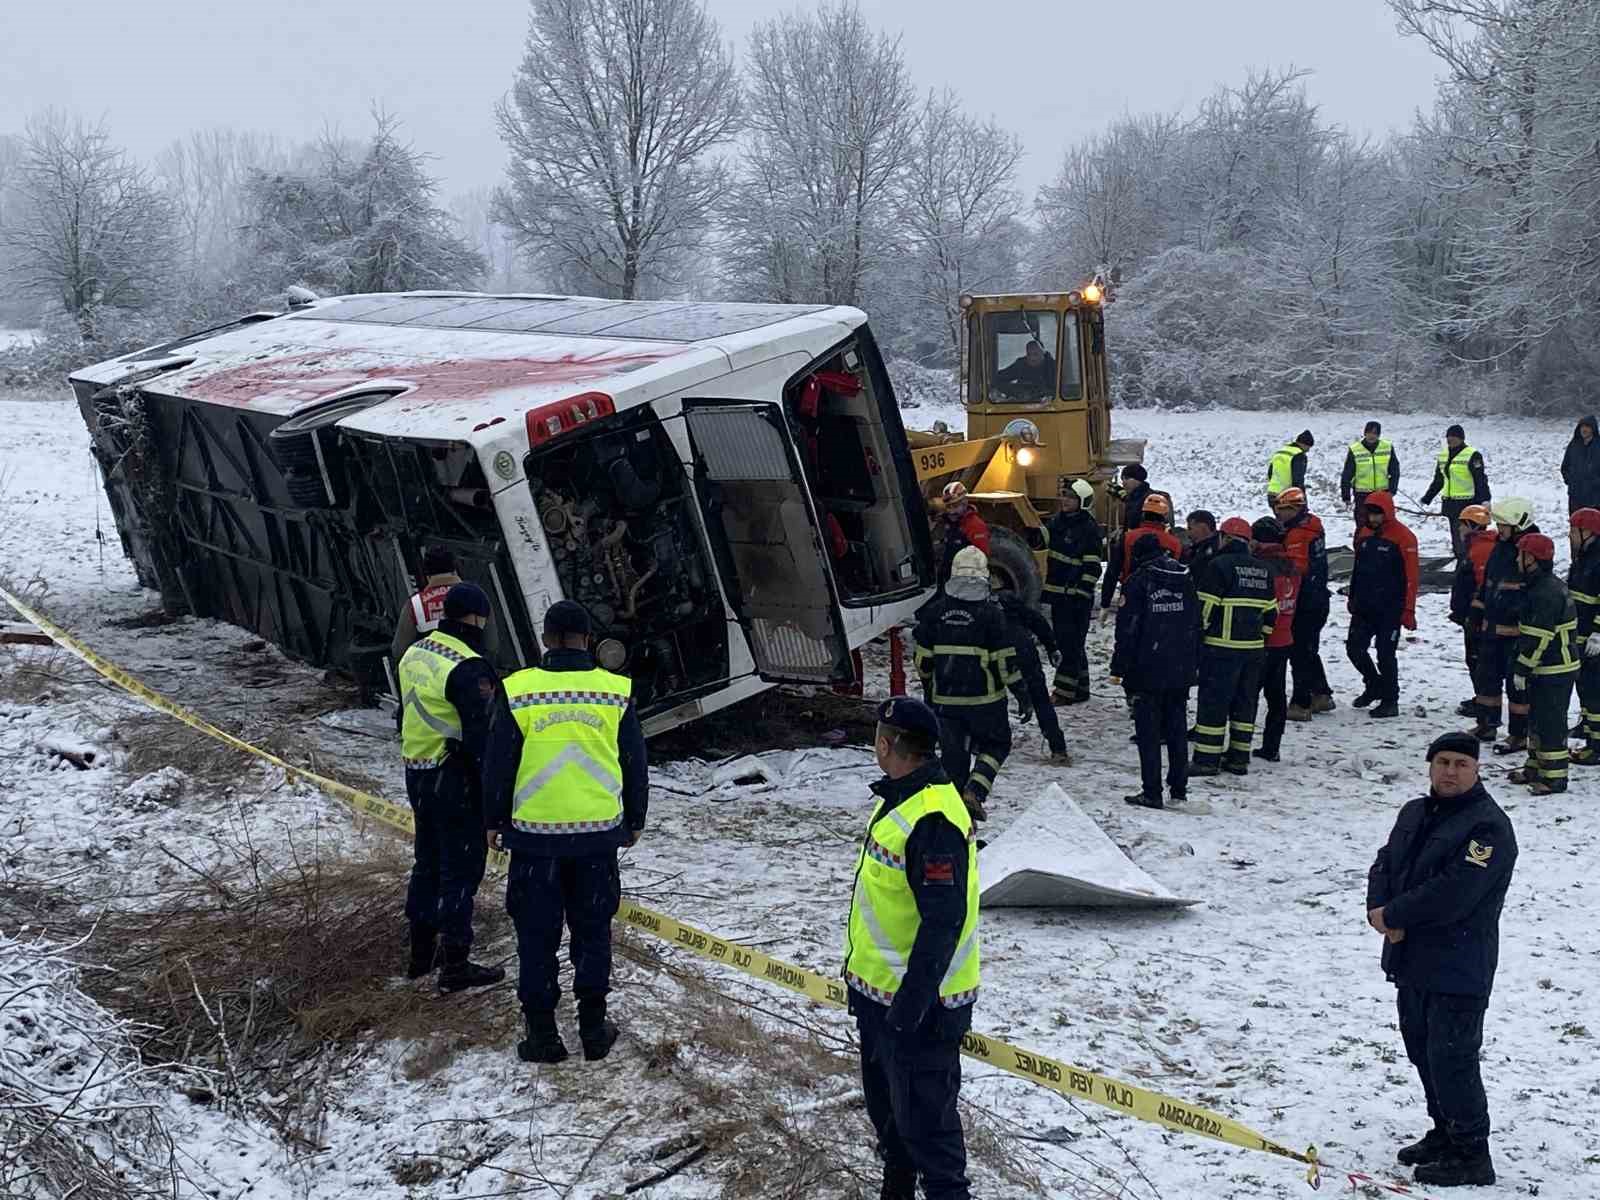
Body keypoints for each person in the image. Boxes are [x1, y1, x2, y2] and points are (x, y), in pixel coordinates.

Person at [480, 600, 649, 1063]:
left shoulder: (518, 690)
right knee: (592, 933)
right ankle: (593, 1030)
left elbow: (498, 765)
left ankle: (542, 1036)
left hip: (535, 842)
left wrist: (493, 820)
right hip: (596, 840)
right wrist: (634, 819)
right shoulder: (615, 691)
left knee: (537, 937)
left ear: (546, 638)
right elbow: (634, 763)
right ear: (589, 640)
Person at [1366, 732, 1516, 1189]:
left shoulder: (1487, 827)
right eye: (1443, 762)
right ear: (1430, 766)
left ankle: (1472, 1152)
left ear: (1476, 770)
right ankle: (1445, 1131)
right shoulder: (1415, 812)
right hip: (1410, 957)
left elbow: (1456, 892)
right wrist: (1379, 910)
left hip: (1459, 963)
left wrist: (1395, 914)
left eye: (1461, 764)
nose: (1451, 771)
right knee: (1421, 1050)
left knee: (1452, 1057)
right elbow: (1385, 863)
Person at [844, 697, 979, 1200]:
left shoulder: (933, 820)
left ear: (886, 745)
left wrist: (907, 1012)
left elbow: (943, 923)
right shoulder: (900, 797)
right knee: (894, 1130)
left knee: (931, 1141)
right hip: (883, 1001)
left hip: (919, 1010)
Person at [395, 582, 506, 992]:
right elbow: (484, 739)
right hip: (454, 778)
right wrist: (495, 799)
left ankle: (420, 954)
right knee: (461, 869)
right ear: (477, 618)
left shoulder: (416, 652)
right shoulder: (469, 666)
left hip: (418, 772)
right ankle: (456, 962)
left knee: (427, 862)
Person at [913, 546, 1017, 821]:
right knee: (997, 745)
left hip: (946, 703)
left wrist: (929, 690)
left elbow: (922, 661)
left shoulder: (934, 613)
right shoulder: (991, 614)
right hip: (986, 702)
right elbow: (1004, 661)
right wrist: (1022, 694)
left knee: (953, 762)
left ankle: (955, 825)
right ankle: (976, 791)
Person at [1112, 534, 1201, 808]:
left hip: (1147, 668)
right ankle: (1179, 789)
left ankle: (1151, 791)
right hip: (1179, 667)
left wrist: (1119, 667)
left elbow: (1127, 630)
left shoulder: (1138, 583)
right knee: (1176, 730)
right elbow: (1196, 622)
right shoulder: (1184, 578)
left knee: (1149, 734)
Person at [1190, 517, 1276, 777]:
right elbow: (1271, 613)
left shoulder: (1218, 566)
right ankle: (1239, 758)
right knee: (1244, 704)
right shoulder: (1263, 569)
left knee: (1213, 704)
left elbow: (1205, 608)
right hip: (1253, 650)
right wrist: (1260, 639)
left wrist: (1195, 639)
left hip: (1220, 649)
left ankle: (1206, 759)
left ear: (1224, 538)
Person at [1506, 533, 1578, 795]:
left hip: (1554, 668)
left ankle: (1554, 778)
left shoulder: (1545, 592)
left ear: (1532, 559)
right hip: (1548, 666)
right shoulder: (1540, 586)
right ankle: (1535, 767)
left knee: (1550, 722)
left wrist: (1522, 669)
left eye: (1521, 554)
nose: (1516, 559)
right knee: (1536, 719)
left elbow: (1538, 637)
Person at [1467, 498, 1537, 751]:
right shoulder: (1500, 547)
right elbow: (1487, 583)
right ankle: (1486, 724)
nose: (1499, 528)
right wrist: (1476, 612)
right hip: (1492, 629)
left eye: (1504, 524)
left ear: (1519, 524)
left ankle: (1519, 734)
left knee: (1516, 687)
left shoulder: (1530, 551)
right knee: (1487, 679)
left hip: (1515, 633)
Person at [1347, 493, 1419, 721]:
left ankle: (1390, 700)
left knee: (1385, 654)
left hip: (1390, 608)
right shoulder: (1364, 534)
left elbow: (1412, 576)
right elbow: (1357, 568)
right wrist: (1352, 595)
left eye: (1377, 514)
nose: (1373, 518)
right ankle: (1374, 684)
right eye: (1370, 513)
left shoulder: (1404, 537)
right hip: (1364, 605)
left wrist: (1408, 610)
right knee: (1354, 649)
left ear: (1387, 513)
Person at [1276, 488, 1335, 719]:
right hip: (1318, 597)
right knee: (1308, 649)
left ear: (1295, 509)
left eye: (1283, 510)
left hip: (1305, 600)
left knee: (1299, 651)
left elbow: (1297, 568)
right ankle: (1321, 694)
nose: (1279, 514)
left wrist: (1275, 557)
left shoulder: (1298, 535)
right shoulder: (1313, 527)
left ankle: (1300, 703)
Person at [1043, 479, 1103, 704]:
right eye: (1064, 495)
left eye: (1070, 497)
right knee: (1072, 643)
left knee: (1069, 644)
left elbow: (1093, 566)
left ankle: (1063, 692)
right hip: (1059, 595)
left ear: (1083, 502)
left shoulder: (1088, 529)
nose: (1065, 500)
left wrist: (1082, 593)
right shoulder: (1057, 522)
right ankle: (1081, 688)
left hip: (1075, 597)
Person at [994, 584, 1069, 761]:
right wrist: (1052, 647)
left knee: (992, 700)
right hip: (1024, 650)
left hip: (999, 655)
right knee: (1041, 699)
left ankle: (989, 744)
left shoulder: (974, 607)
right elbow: (1037, 620)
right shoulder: (1008, 599)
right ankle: (1058, 748)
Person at [1250, 518, 1300, 763]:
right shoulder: (1291, 565)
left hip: (1262, 640)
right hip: (1284, 637)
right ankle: (1272, 746)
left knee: (1248, 695)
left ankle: (1240, 745)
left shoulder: (1260, 567)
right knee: (1276, 696)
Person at [1447, 505, 1496, 715]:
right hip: (1471, 615)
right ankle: (1482, 699)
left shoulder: (1481, 549)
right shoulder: (1475, 546)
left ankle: (1484, 702)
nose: (1459, 529)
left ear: (1472, 525)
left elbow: (1480, 585)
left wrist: (1473, 613)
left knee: (1479, 661)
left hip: (1478, 617)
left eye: (1462, 524)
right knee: (1476, 660)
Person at [1420, 425, 1491, 559]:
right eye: (1448, 436)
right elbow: (1439, 480)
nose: (1450, 439)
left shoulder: (1472, 455)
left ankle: (1472, 562)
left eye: (1454, 436)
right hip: (1451, 505)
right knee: (1457, 540)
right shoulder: (1443, 456)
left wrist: (1485, 500)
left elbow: (1480, 479)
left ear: (1461, 438)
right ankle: (1461, 563)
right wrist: (1427, 498)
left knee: (1468, 539)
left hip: (1468, 505)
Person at [1102, 493, 1182, 610]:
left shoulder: (1128, 537)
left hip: (1130, 595)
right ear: (1165, 516)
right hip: (1162, 601)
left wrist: (1105, 603)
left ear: (1143, 514)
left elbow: (1112, 571)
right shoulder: (1175, 543)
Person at [391, 546, 462, 663]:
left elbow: (398, 651)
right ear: (455, 571)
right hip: (473, 672)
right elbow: (492, 646)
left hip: (435, 676)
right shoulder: (476, 596)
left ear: (427, 576)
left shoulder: (415, 605)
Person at [1568, 507, 1600, 765]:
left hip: (1594, 641)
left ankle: (1597, 747)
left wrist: (1598, 634)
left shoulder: (1597, 560)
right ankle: (1591, 741)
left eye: (1573, 530)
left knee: (1595, 695)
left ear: (1588, 532)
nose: (1570, 535)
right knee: (1587, 693)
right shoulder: (1584, 558)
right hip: (1581, 637)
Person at [1340, 421, 1400, 528]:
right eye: (1369, 432)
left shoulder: (1387, 447)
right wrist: (1346, 496)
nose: (1372, 436)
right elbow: (1347, 474)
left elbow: (1395, 471)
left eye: (1375, 433)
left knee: (1384, 524)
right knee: (1363, 524)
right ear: (1365, 433)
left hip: (1382, 493)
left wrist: (1392, 490)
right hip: (1362, 494)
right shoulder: (1355, 449)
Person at [935, 481, 991, 587]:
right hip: (949, 576)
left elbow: (982, 557)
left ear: (964, 502)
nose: (951, 511)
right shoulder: (947, 522)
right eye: (948, 506)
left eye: (955, 506)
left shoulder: (975, 526)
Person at [1560, 414, 1600, 513]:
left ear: (1593, 429)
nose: (1584, 429)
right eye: (1582, 426)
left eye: (1587, 426)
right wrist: (1571, 481)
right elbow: (1565, 467)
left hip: (1595, 498)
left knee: (1593, 527)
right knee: (1575, 526)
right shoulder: (1574, 445)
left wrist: (1596, 482)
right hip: (1575, 497)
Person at [1265, 430, 1314, 504]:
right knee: (1297, 515)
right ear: (1304, 444)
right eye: (1308, 447)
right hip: (1288, 497)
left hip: (1272, 494)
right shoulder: (1298, 455)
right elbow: (1298, 479)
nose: (1308, 450)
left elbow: (1270, 474)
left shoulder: (1280, 452)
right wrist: (1303, 498)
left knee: (1280, 515)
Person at [1181, 510, 1222, 593]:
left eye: (1190, 528)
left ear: (1203, 527)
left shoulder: (1216, 549)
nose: (1188, 534)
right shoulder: (1195, 549)